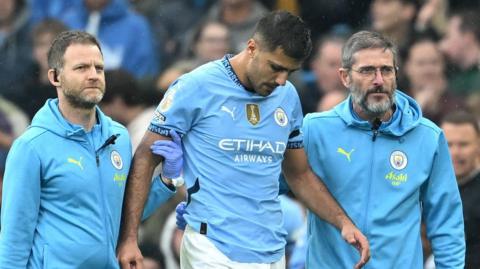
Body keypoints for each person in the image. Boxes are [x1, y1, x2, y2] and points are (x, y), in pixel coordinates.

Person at [117, 10, 370, 269]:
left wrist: (343, 222)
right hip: (211, 246)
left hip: (271, 249)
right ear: (252, 47)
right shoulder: (196, 86)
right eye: (276, 67)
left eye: (290, 72)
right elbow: (146, 155)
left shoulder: (288, 97)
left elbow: (299, 174)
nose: (281, 80)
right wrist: (128, 238)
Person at [0, 30, 177, 268]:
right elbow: (14, 236)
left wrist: (167, 180)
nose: (93, 75)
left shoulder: (119, 137)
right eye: (81, 68)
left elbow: (122, 216)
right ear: (55, 77)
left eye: (99, 68)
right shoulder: (31, 147)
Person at [300, 30, 465, 268]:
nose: (379, 80)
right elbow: (275, 185)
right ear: (345, 77)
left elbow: (447, 223)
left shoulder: (427, 137)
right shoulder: (315, 130)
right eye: (367, 70)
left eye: (386, 70)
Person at [440, 111, 480, 269]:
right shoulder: (424, 188)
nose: (455, 153)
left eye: (463, 144)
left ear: (478, 145)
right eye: (448, 144)